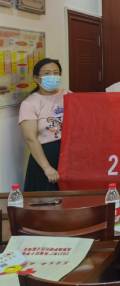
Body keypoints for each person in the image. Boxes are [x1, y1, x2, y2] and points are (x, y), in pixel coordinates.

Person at [18, 59, 70, 191]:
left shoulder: (68, 95)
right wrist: (47, 167)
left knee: (69, 196)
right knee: (46, 197)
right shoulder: (29, 103)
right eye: (47, 73)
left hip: (68, 151)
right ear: (36, 78)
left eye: (56, 73)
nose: (52, 76)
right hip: (45, 154)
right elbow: (31, 139)